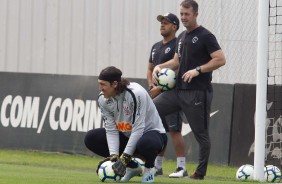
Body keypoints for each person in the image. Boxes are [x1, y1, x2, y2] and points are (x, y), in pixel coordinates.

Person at [152, 0, 226, 180]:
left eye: (187, 14)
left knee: (201, 135)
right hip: (177, 91)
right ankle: (147, 162)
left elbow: (220, 59)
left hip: (197, 93)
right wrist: (159, 66)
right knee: (150, 110)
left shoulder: (206, 36)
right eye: (182, 14)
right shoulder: (182, 37)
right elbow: (176, 61)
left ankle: (199, 173)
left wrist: (198, 70)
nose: (184, 17)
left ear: (196, 14)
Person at [84, 66, 167, 183]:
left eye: (103, 84)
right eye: (99, 84)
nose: (100, 88)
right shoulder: (102, 99)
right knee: (91, 138)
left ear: (114, 84)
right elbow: (111, 129)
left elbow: (138, 129)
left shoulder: (136, 93)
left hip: (152, 134)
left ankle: (149, 168)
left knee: (146, 143)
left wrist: (125, 158)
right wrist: (114, 156)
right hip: (127, 136)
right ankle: (132, 167)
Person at [147, 13, 187, 178]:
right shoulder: (156, 46)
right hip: (155, 94)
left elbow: (176, 68)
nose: (162, 25)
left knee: (174, 130)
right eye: (161, 22)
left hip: (171, 94)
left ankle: (181, 167)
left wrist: (160, 88)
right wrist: (151, 86)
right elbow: (150, 69)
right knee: (158, 130)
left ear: (174, 27)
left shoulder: (178, 44)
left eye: (166, 22)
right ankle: (157, 166)